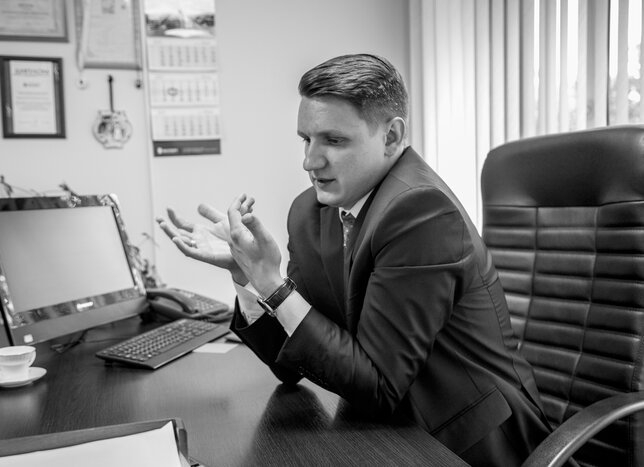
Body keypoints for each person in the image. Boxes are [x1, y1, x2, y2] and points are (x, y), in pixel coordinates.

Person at [157, 54, 552, 466]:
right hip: (384, 431)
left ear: (391, 137)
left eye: (334, 140)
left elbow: (378, 386)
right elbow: (290, 364)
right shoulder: (310, 212)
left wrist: (274, 284)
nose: (310, 161)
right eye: (306, 139)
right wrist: (249, 274)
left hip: (467, 442)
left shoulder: (421, 211)